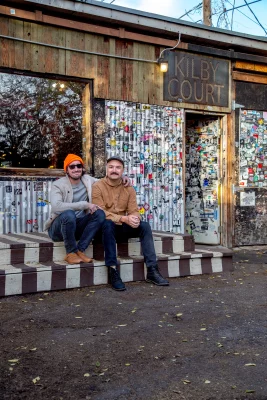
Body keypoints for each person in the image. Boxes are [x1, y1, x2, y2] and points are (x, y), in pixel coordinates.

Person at [92, 156, 169, 291]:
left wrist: (134, 218)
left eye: (117, 167)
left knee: (144, 226)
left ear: (123, 171)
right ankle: (113, 270)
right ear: (106, 170)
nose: (114, 170)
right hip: (103, 230)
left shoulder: (129, 188)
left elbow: (133, 210)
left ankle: (152, 270)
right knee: (107, 223)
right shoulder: (97, 186)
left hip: (120, 228)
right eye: (111, 167)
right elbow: (100, 212)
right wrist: (123, 219)